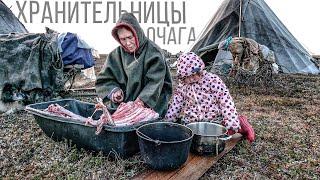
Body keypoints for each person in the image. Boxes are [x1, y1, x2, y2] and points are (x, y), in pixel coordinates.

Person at [165, 52, 255, 142]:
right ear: (182, 77)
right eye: (187, 77)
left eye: (193, 75)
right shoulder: (183, 86)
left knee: (229, 131)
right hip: (192, 121)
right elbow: (175, 105)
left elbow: (225, 100)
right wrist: (168, 122)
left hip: (214, 119)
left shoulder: (212, 80)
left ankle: (241, 122)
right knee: (184, 135)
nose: (192, 79)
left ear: (200, 70)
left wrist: (231, 120)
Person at [95, 13, 173, 117]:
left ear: (137, 33)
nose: (127, 43)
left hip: (151, 106)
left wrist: (140, 102)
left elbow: (154, 83)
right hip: (123, 108)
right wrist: (114, 91)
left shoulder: (154, 53)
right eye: (123, 39)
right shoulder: (115, 55)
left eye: (130, 37)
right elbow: (104, 79)